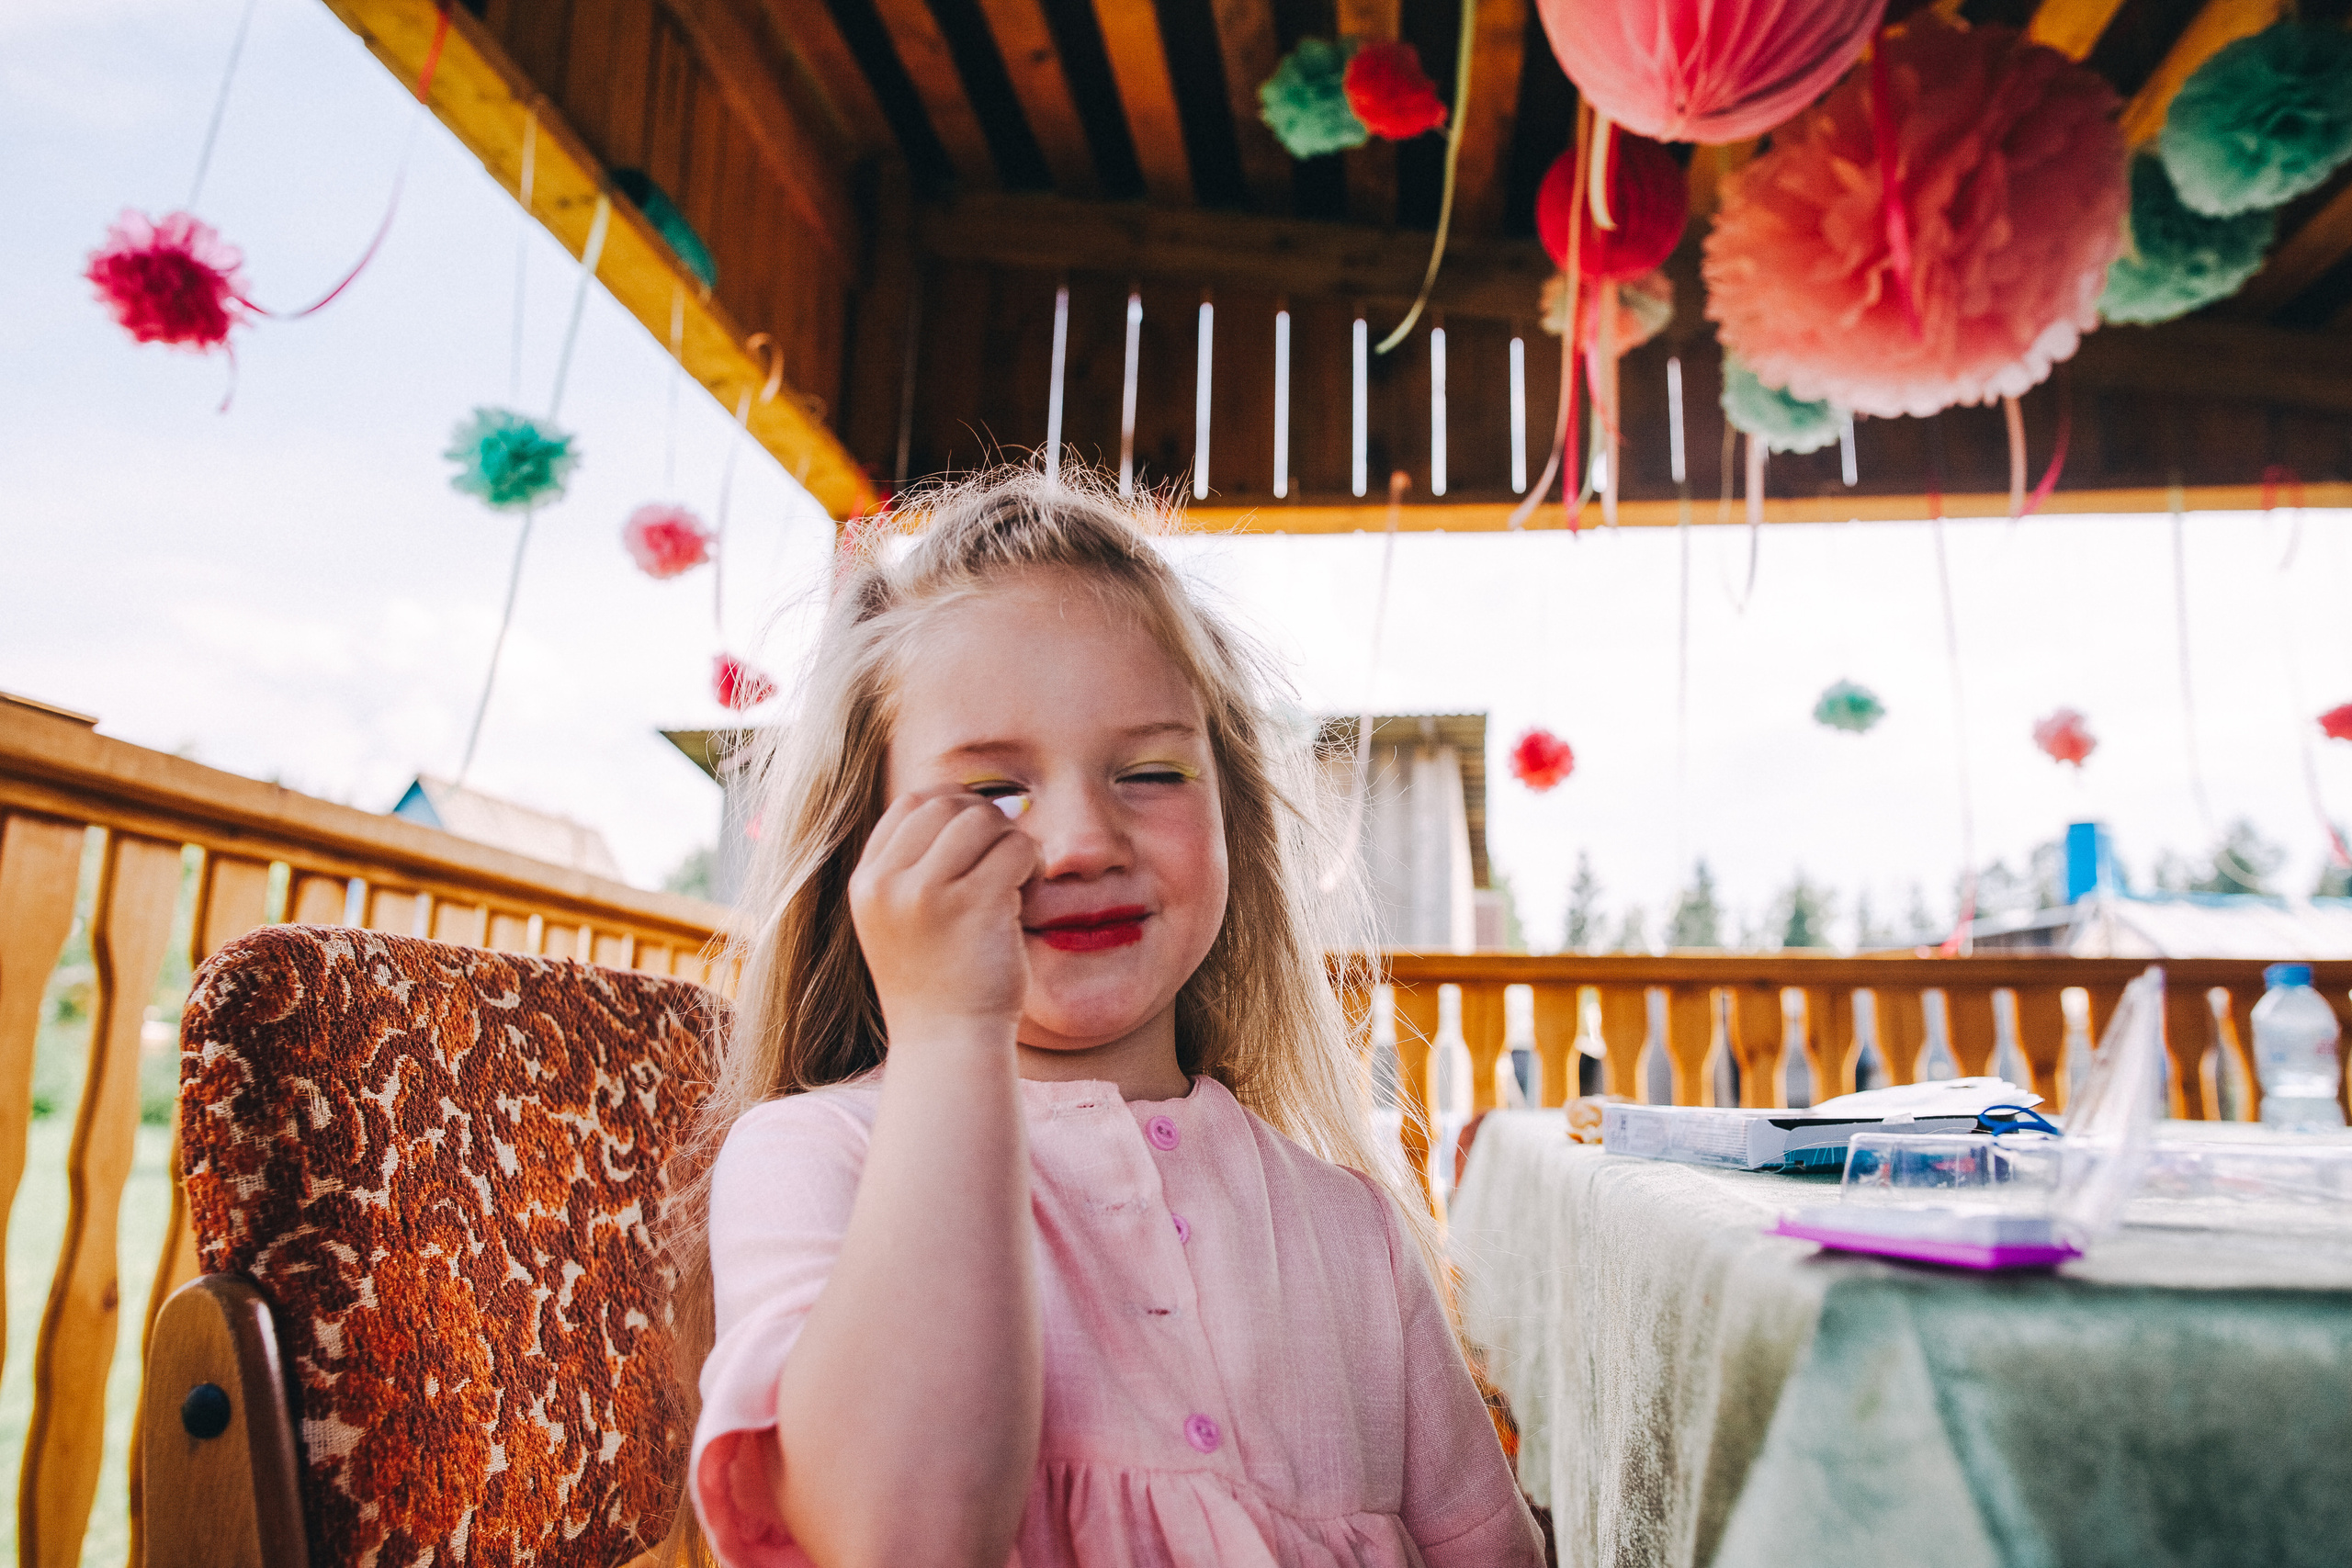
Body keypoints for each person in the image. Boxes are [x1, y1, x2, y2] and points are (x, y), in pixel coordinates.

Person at [665, 466, 1541, 1568]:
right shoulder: (808, 1159)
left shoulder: (1353, 1230)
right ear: (864, 852)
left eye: (1151, 771)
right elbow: (900, 1540)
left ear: (1236, 822)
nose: (1080, 840)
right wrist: (946, 1031)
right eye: (990, 790)